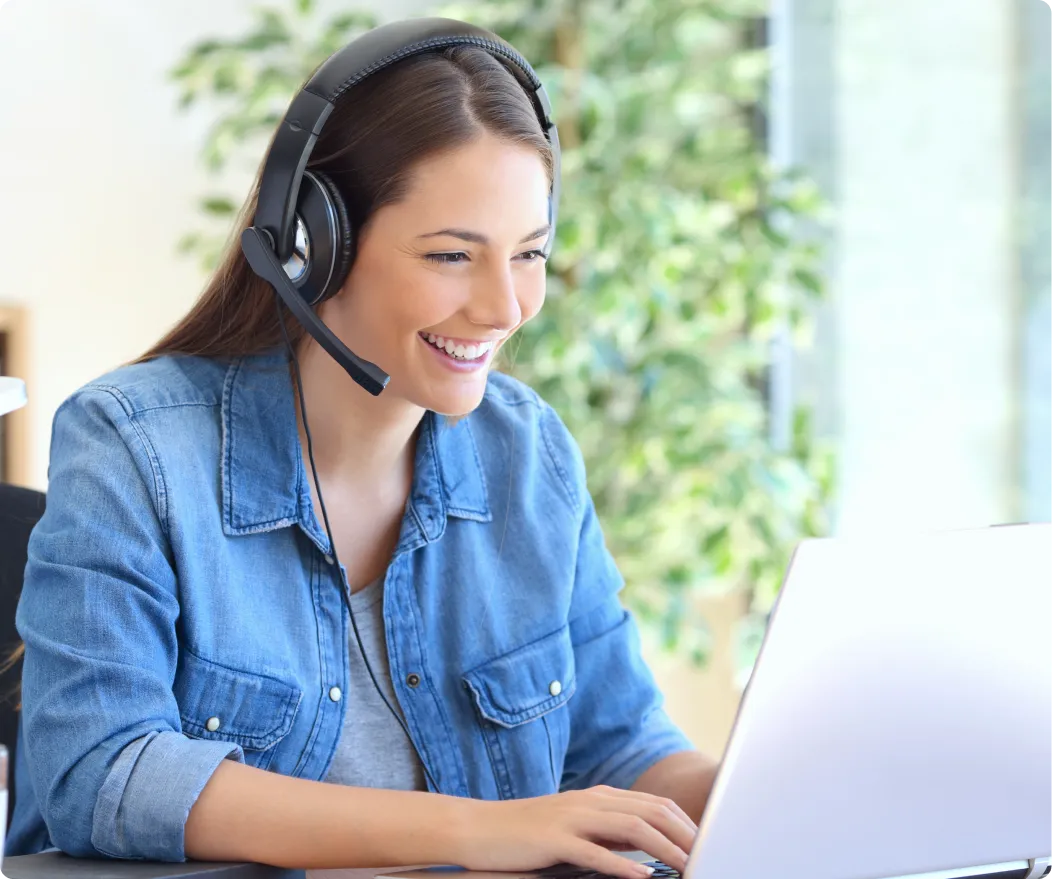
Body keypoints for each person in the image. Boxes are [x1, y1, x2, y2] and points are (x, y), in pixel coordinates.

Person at [7, 18, 719, 875]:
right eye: (451, 255)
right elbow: (103, 770)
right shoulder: (135, 447)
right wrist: (474, 829)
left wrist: (762, 782)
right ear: (316, 246)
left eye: (529, 253)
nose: (505, 307)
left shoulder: (528, 454)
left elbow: (622, 746)